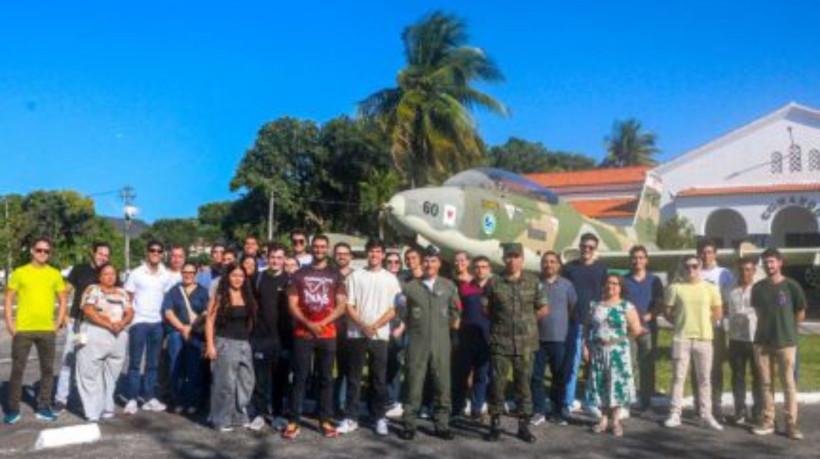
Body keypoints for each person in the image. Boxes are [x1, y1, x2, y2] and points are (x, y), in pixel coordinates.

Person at [283, 235, 347, 439]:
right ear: (311, 249)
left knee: (326, 378)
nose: (319, 250)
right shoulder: (299, 274)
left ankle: (325, 420)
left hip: (327, 334)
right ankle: (294, 420)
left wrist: (322, 322)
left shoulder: (336, 274)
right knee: (300, 377)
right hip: (303, 333)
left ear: (327, 249)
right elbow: (292, 304)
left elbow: (342, 305)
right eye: (316, 247)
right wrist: (309, 323)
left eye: (322, 247)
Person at [484, 243, 548, 443]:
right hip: (500, 342)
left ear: (522, 259)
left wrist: (525, 323)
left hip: (525, 344)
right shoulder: (494, 282)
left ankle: (523, 426)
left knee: (524, 386)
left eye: (516, 256)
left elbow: (543, 308)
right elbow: (485, 308)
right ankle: (495, 424)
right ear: (504, 259)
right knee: (497, 384)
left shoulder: (533, 281)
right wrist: (504, 323)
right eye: (509, 257)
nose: (512, 260)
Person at [337, 239, 401, 436]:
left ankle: (379, 418)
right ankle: (351, 417)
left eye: (378, 251)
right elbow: (349, 305)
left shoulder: (391, 279)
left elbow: (394, 309)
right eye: (371, 251)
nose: (374, 255)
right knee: (354, 378)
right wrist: (363, 325)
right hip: (357, 334)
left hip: (380, 336)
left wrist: (375, 326)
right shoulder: (356, 276)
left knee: (378, 379)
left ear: (383, 255)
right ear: (367, 254)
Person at [398, 247, 460, 441]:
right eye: (426, 261)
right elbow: (403, 314)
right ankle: (409, 424)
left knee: (442, 384)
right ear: (421, 263)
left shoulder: (449, 286)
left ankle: (442, 424)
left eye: (433, 261)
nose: (429, 265)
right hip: (417, 343)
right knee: (413, 383)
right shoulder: (410, 287)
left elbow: (455, 312)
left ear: (439, 263)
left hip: (441, 343)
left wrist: (442, 328)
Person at [3, 237, 68, 424]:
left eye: (46, 251)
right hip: (23, 330)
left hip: (47, 330)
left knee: (47, 370)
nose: (43, 254)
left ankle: (43, 406)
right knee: (17, 371)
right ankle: (13, 409)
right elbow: (9, 299)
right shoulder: (20, 272)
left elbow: (63, 298)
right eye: (39, 250)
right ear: (32, 250)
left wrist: (57, 323)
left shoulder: (55, 274)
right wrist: (10, 323)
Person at [750, 248, 807, 440]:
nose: (769, 265)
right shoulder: (758, 288)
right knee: (766, 385)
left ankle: (791, 424)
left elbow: (800, 312)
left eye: (772, 261)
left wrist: (787, 327)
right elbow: (759, 313)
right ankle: (768, 420)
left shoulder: (792, 286)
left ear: (780, 263)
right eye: (766, 262)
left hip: (786, 343)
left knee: (788, 384)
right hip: (762, 343)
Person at [663, 255, 724, 431]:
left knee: (705, 379)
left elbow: (718, 313)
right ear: (682, 268)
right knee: (678, 378)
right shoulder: (675, 288)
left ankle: (706, 415)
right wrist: (680, 323)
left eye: (695, 266)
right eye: (687, 267)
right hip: (681, 339)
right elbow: (667, 312)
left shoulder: (710, 288)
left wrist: (704, 324)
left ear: (700, 267)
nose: (691, 270)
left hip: (704, 339)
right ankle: (675, 413)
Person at [55, 241, 111, 414]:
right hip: (78, 323)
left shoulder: (108, 272)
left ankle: (91, 399)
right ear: (93, 253)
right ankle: (60, 399)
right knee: (68, 361)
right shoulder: (79, 269)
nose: (103, 257)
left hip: (99, 325)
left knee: (94, 364)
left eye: (106, 255)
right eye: (100, 253)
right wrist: (63, 314)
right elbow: (65, 291)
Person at [585, 274, 642, 437]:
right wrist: (585, 346)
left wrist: (619, 340)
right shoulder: (595, 305)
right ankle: (603, 420)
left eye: (615, 283)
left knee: (616, 385)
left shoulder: (626, 306)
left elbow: (636, 329)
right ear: (604, 285)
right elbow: (587, 326)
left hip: (618, 352)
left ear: (620, 287)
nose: (611, 286)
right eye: (609, 283)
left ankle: (616, 421)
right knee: (601, 383)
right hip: (598, 350)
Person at [75, 263, 134, 422]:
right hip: (96, 333)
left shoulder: (122, 292)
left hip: (118, 336)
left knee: (111, 377)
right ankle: (92, 411)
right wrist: (109, 324)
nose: (110, 277)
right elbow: (88, 310)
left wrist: (121, 324)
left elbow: (130, 311)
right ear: (99, 276)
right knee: (89, 374)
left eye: (113, 274)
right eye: (106, 274)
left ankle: (107, 408)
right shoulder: (93, 289)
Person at [205, 263, 257, 431]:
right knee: (224, 384)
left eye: (241, 276)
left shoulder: (247, 295)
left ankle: (237, 416)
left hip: (244, 344)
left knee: (245, 381)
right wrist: (210, 345)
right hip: (225, 343)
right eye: (234, 275)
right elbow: (210, 321)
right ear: (227, 277)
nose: (237, 279)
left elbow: (249, 322)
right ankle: (220, 419)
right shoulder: (220, 295)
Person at [123, 240, 173, 415]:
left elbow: (167, 297)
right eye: (153, 250)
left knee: (153, 364)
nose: (156, 253)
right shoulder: (136, 273)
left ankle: (149, 397)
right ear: (147, 252)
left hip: (157, 324)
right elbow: (127, 297)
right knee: (135, 363)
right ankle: (131, 399)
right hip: (139, 323)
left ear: (162, 254)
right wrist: (127, 319)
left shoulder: (165, 275)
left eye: (159, 251)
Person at [561, 233, 607, 419]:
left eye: (591, 247)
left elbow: (606, 293)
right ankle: (568, 401)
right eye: (584, 246)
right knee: (572, 364)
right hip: (574, 323)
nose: (587, 250)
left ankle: (592, 402)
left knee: (595, 366)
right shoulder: (569, 268)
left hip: (596, 324)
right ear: (579, 247)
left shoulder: (602, 268)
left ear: (595, 249)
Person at [248, 244, 291, 431]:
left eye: (279, 257)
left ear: (284, 260)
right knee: (260, 378)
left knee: (280, 378)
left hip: (282, 339)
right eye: (273, 257)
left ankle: (278, 414)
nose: (275, 261)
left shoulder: (290, 280)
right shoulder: (257, 278)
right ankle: (258, 413)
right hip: (260, 337)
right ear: (267, 258)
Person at [531, 251, 576, 426]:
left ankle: (557, 411)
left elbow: (572, 309)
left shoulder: (567, 286)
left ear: (558, 265)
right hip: (537, 339)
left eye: (552, 262)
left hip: (559, 339)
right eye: (545, 262)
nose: (548, 265)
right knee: (536, 377)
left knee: (559, 377)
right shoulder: (535, 284)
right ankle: (539, 410)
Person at [693, 238, 735, 421]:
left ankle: (716, 407)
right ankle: (699, 406)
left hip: (715, 329)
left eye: (710, 252)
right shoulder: (692, 272)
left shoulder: (724, 274)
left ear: (715, 254)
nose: (706, 255)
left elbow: (729, 302)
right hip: (695, 330)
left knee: (715, 369)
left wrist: (714, 318)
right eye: (703, 252)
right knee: (697, 370)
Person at [621, 245, 664, 412]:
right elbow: (620, 302)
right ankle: (628, 400)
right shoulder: (624, 280)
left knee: (647, 365)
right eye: (634, 257)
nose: (637, 260)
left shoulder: (655, 280)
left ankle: (646, 401)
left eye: (641, 257)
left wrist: (649, 316)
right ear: (630, 260)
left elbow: (660, 304)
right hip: (628, 329)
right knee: (628, 365)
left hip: (648, 328)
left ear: (646, 260)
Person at [163, 262, 209, 414]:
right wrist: (182, 328)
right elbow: (168, 311)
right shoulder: (174, 291)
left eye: (191, 272)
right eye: (185, 272)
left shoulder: (203, 292)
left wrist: (191, 327)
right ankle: (177, 400)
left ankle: (193, 401)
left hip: (196, 334)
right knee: (175, 367)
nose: (188, 275)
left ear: (196, 274)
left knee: (194, 368)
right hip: (176, 333)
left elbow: (206, 312)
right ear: (181, 273)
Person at [453, 254, 493, 422]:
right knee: (461, 375)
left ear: (489, 269)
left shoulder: (495, 288)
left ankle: (476, 408)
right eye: (477, 267)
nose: (480, 270)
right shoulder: (465, 288)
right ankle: (457, 408)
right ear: (473, 269)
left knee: (481, 375)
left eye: (484, 267)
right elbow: (457, 313)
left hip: (486, 339)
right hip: (466, 339)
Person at [726, 257, 761, 426]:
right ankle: (739, 411)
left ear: (754, 271)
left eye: (748, 270)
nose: (744, 273)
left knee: (758, 377)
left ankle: (758, 412)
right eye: (741, 270)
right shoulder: (731, 291)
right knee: (738, 376)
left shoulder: (760, 290)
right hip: (736, 340)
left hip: (756, 339)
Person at [332, 242, 354, 418]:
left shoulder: (358, 276)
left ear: (350, 256)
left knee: (346, 368)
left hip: (350, 328)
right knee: (324, 368)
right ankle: (324, 403)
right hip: (329, 327)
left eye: (345, 253)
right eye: (338, 253)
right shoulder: (329, 275)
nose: (342, 256)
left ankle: (342, 404)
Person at [384, 250, 406, 418]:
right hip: (380, 327)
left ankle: (394, 400)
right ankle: (381, 399)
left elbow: (410, 309)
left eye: (396, 262)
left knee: (395, 365)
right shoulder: (380, 278)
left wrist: (402, 327)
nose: (393, 265)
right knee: (379, 365)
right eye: (389, 261)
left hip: (399, 327)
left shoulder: (405, 283)